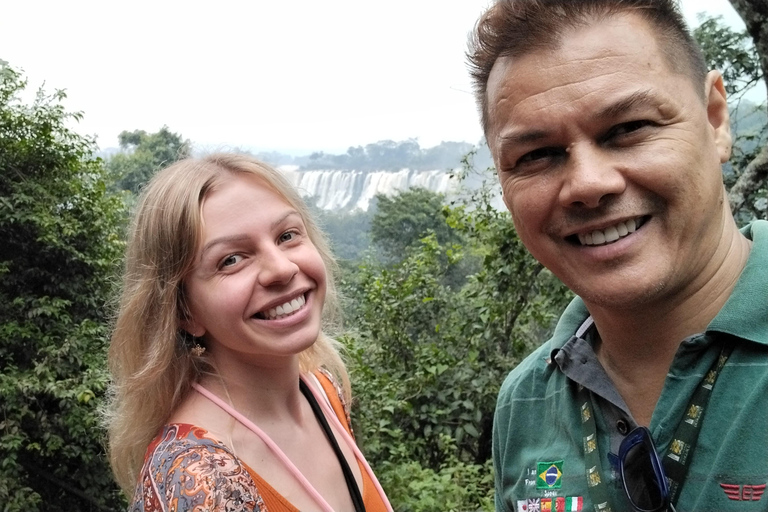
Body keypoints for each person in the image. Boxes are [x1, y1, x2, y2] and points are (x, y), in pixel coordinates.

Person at [467, 1, 768, 511]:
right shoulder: (526, 402)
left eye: (628, 128)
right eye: (537, 155)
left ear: (716, 119)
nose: (587, 184)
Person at [106, 153, 392, 512]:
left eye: (287, 235)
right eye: (232, 259)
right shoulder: (196, 479)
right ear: (184, 311)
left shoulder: (323, 392)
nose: (281, 268)